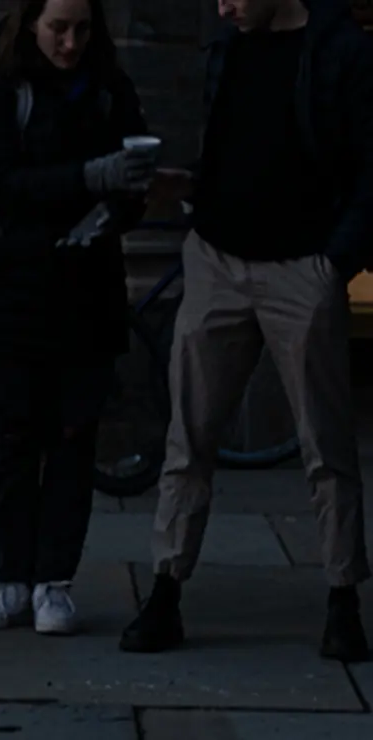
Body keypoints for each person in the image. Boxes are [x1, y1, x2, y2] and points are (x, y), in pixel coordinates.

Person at [120, 0, 373, 662]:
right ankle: (166, 591)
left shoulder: (342, 50)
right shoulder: (229, 46)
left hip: (301, 266)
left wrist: (333, 263)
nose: (222, 6)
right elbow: (239, 145)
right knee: (188, 439)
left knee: (326, 445)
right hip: (217, 258)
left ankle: (343, 597)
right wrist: (193, 190)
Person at [0, 0, 155, 635]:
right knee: (14, 440)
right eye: (57, 29)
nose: (69, 43)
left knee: (72, 440)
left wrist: (121, 203)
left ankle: (53, 583)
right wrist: (93, 178)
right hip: (9, 289)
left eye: (81, 30)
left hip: (84, 291)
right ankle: (12, 579)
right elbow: (5, 183)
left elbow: (131, 191)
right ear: (30, 26)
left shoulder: (106, 91)